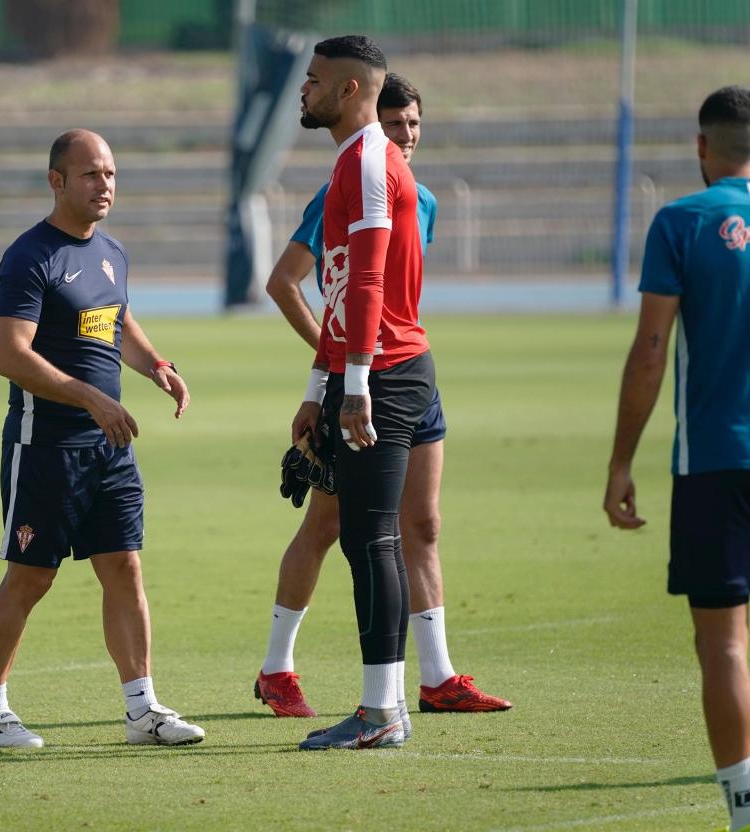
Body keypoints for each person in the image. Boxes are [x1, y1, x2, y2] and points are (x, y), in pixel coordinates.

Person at [255, 74, 511, 721]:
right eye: (395, 125)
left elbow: (393, 300)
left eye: (414, 126)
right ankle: (277, 668)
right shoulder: (346, 184)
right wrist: (335, 369)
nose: (405, 136)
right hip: (363, 383)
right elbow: (290, 283)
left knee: (421, 526)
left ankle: (439, 678)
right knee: (329, 523)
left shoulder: (422, 199)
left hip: (411, 376)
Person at [0, 129, 205, 749]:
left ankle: (142, 711)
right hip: (44, 446)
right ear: (57, 181)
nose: (105, 186)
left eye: (110, 174)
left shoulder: (112, 253)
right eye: (91, 175)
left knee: (124, 568)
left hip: (110, 449)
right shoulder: (29, 257)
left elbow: (118, 319)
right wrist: (91, 396)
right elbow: (10, 357)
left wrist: (157, 366)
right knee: (30, 577)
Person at [278, 34, 434, 751]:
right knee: (367, 539)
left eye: (313, 80)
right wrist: (321, 382)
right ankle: (387, 706)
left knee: (372, 538)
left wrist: (357, 384)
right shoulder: (351, 161)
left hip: (387, 373)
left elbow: (368, 280)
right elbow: (337, 294)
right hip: (364, 369)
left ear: (348, 89)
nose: (302, 90)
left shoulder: (371, 159)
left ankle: (381, 713)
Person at [603, 85, 750, 831]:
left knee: (723, 642)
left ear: (702, 147)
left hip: (715, 462)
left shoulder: (682, 222)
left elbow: (651, 351)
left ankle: (741, 813)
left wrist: (620, 462)